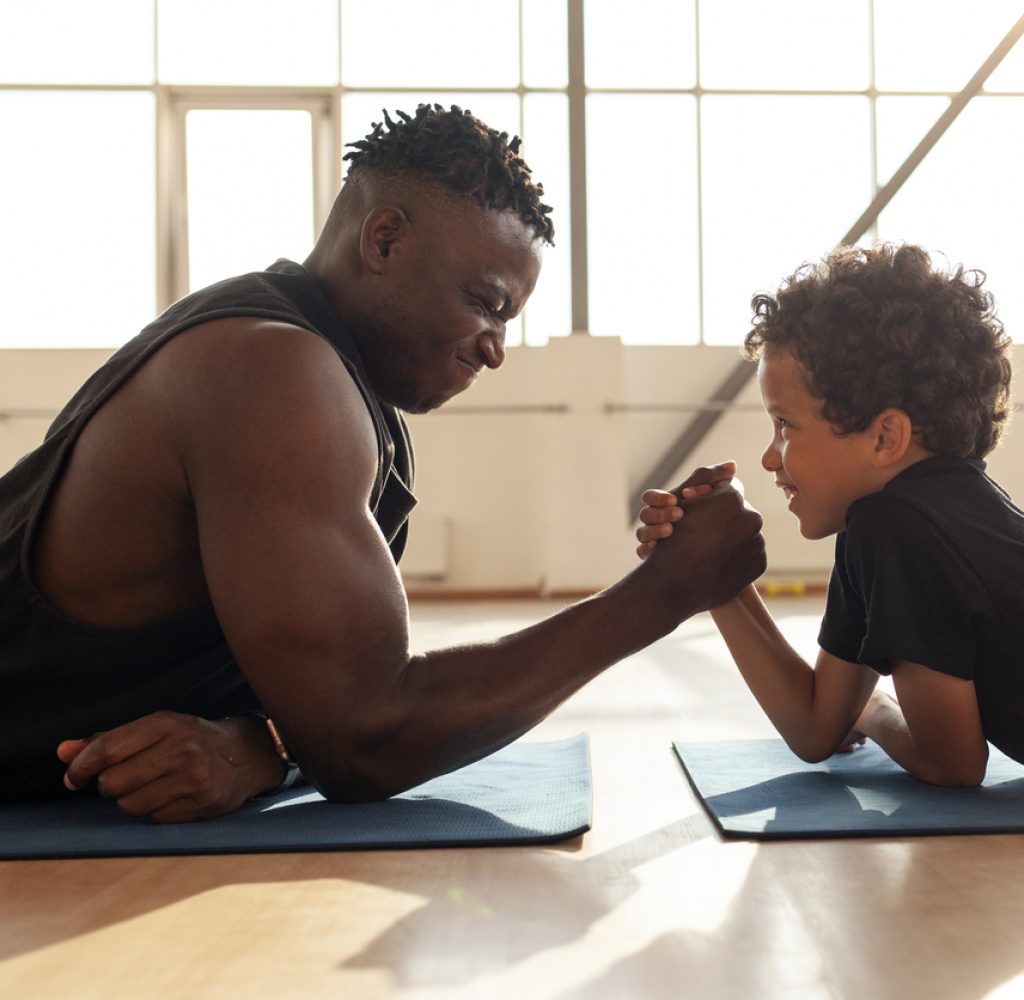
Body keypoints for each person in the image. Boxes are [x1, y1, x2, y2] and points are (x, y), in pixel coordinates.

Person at [0, 104, 765, 820]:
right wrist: (666, 590)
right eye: (486, 302)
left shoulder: (315, 364)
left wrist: (263, 747)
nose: (496, 349)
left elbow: (324, 704)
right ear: (385, 240)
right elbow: (365, 737)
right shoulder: (273, 370)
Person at [638, 242, 1024, 788]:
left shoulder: (901, 528)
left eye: (786, 425)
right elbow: (815, 727)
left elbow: (950, 763)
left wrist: (875, 710)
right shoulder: (886, 525)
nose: (770, 457)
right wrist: (715, 577)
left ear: (885, 438)